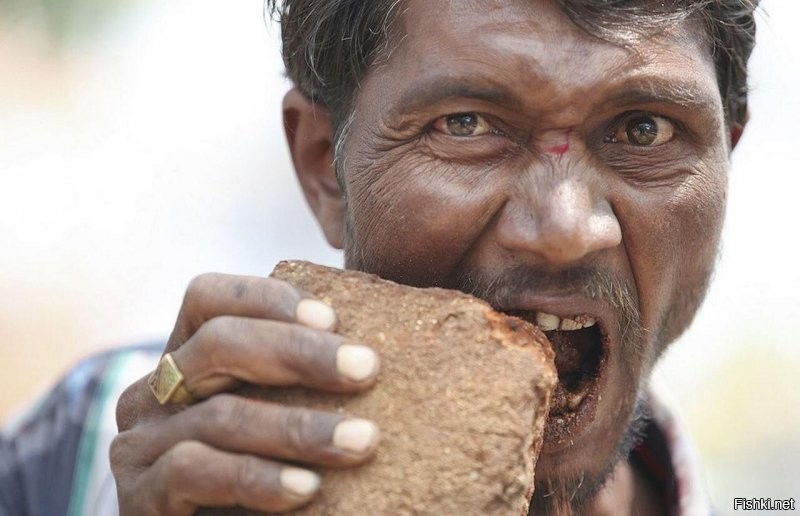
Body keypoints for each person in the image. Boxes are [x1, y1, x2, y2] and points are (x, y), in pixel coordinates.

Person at [0, 0, 759, 514]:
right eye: (465, 123)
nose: (565, 228)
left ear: (725, 159)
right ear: (324, 166)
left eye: (644, 131)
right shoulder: (77, 457)